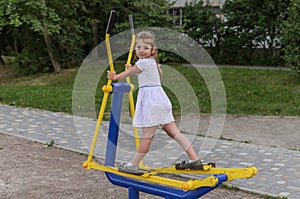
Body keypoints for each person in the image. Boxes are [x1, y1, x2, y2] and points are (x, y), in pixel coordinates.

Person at [107, 31, 203, 174]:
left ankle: (133, 164)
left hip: (152, 103)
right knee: (175, 133)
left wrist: (115, 76)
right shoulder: (154, 63)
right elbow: (149, 74)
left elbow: (129, 73)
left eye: (145, 48)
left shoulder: (143, 62)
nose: (141, 50)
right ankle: (194, 159)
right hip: (161, 99)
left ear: (152, 50)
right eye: (138, 47)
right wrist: (133, 69)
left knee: (146, 137)